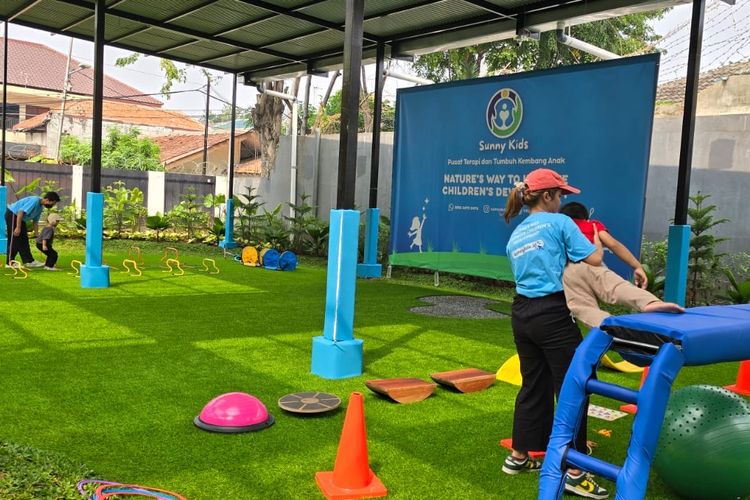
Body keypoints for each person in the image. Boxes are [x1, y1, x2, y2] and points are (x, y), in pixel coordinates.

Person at [501, 168, 609, 499]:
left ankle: (519, 456)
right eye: (560, 195)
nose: (562, 201)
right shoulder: (561, 223)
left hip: (522, 315)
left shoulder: (516, 234)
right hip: (552, 314)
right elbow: (595, 258)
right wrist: (594, 235)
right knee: (573, 386)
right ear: (546, 196)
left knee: (534, 383)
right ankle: (575, 470)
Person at [560, 201, 683, 329]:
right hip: (595, 264)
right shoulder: (592, 225)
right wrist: (637, 266)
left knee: (581, 305)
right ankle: (649, 302)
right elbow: (613, 244)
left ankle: (608, 326)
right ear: (586, 217)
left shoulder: (562, 228)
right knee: (617, 286)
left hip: (570, 268)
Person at [5, 191, 60, 268]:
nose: (53, 205)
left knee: (24, 239)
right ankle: (9, 263)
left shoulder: (40, 207)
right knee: (15, 238)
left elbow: (35, 221)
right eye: (53, 203)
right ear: (47, 200)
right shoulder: (35, 201)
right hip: (13, 214)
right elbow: (20, 212)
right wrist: (18, 227)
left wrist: (37, 234)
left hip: (20, 218)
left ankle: (29, 261)